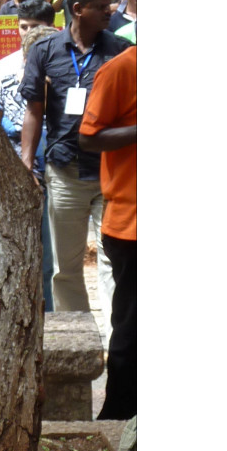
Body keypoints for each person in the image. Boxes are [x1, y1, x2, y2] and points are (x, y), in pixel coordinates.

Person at [19, 0, 131, 313]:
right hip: (64, 172)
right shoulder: (45, 50)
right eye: (100, 7)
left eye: (109, 5)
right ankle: (77, 346)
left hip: (112, 175)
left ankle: (117, 343)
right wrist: (26, 162)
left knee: (112, 261)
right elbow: (34, 111)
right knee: (65, 268)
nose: (109, 12)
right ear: (78, 9)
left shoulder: (121, 52)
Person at [0, 0, 57, 311]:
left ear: (51, 28)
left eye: (36, 27)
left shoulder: (62, 64)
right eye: (23, 26)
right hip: (15, 160)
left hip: (53, 159)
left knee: (48, 248)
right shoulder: (4, 66)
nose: (28, 33)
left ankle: (52, 313)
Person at [78, 45, 136, 421]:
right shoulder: (122, 69)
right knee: (133, 327)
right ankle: (118, 416)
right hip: (133, 225)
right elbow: (89, 136)